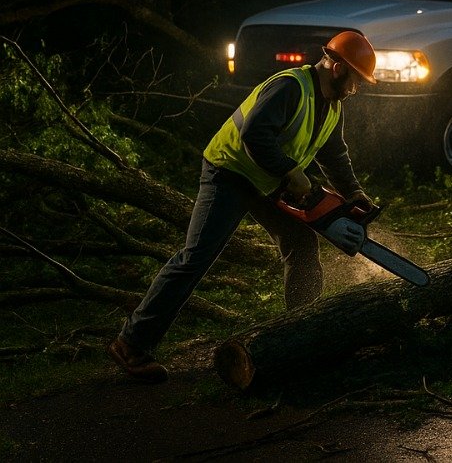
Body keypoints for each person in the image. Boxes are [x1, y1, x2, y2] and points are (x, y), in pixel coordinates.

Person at [108, 31, 378, 382]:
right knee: (196, 258)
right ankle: (131, 344)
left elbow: (333, 154)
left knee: (301, 243)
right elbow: (254, 134)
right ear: (339, 68)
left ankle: (302, 335)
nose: (356, 88)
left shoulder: (332, 106)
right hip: (230, 172)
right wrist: (289, 172)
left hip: (266, 182)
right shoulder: (291, 87)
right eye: (356, 80)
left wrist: (354, 193)